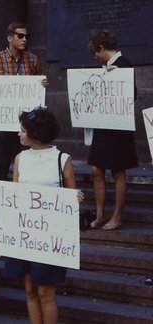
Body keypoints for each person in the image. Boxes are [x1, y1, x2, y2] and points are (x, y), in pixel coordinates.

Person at [3, 107, 82, 324]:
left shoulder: (61, 159)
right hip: (26, 232)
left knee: (46, 294)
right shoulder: (20, 158)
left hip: (50, 236)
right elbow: (15, 195)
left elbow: (70, 195)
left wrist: (75, 198)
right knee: (29, 290)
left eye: (22, 130)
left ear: (35, 132)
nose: (18, 133)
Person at [86, 29, 138, 230]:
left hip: (119, 127)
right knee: (96, 168)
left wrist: (115, 76)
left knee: (118, 171)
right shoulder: (104, 67)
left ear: (101, 48)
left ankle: (116, 217)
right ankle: (100, 215)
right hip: (103, 124)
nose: (95, 57)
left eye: (95, 52)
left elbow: (131, 94)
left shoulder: (124, 63)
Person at [0, 22, 48, 180]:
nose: (24, 39)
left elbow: (38, 83)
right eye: (20, 36)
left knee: (27, 160)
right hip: (2, 120)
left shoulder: (33, 60)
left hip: (25, 121)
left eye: (27, 36)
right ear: (10, 38)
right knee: (0, 161)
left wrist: (43, 83)